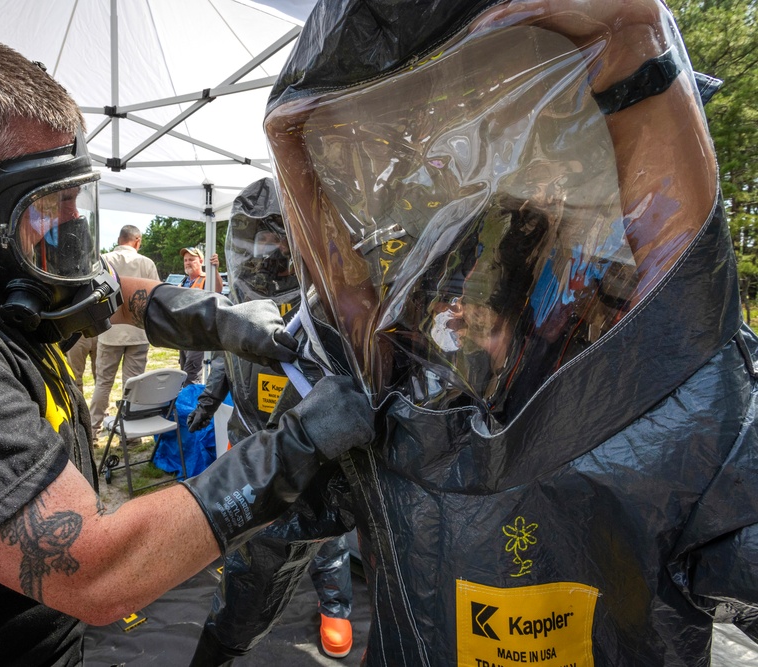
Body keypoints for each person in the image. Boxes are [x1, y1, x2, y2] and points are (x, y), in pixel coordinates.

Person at [0, 25, 376, 665]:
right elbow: (96, 571)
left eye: (77, 194)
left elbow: (109, 295)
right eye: (46, 199)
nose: (72, 224)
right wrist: (295, 450)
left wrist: (222, 320)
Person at [255, 0, 758, 664]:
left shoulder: (661, 361)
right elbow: (358, 332)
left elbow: (674, 321)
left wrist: (631, 43)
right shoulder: (465, 273)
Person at [186, 178, 356, 661]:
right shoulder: (246, 297)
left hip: (313, 436)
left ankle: (335, 607)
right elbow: (229, 350)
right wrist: (208, 398)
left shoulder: (325, 303)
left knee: (323, 532)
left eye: (281, 238)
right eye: (261, 238)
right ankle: (243, 594)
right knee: (252, 528)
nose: (271, 249)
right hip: (252, 433)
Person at [86, 224, 160, 443]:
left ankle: (92, 431)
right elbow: (155, 295)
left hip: (109, 331)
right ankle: (131, 434)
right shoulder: (146, 263)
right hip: (138, 333)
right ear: (137, 241)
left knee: (103, 383)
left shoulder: (102, 260)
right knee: (133, 384)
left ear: (119, 239)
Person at [178, 246, 224, 385]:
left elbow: (217, 289)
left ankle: (191, 404)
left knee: (191, 374)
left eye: (191, 259)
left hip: (198, 336)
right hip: (183, 335)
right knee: (183, 372)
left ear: (201, 261)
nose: (187, 263)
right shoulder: (184, 282)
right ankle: (186, 401)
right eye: (186, 260)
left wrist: (215, 269)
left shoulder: (206, 279)